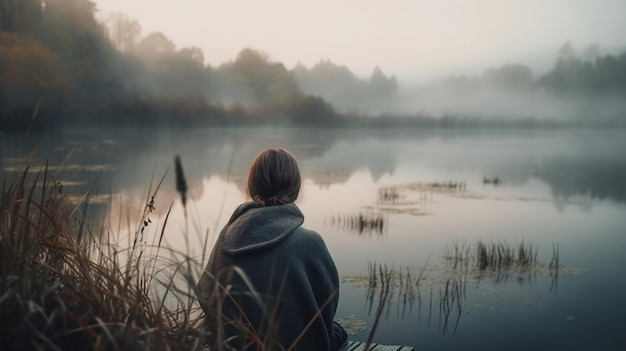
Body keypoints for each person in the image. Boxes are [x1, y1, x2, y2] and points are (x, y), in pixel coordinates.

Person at [197, 147, 348, 351]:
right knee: (338, 332)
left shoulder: (225, 241)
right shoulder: (309, 244)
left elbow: (205, 294)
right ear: (295, 189)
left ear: (251, 189)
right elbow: (327, 308)